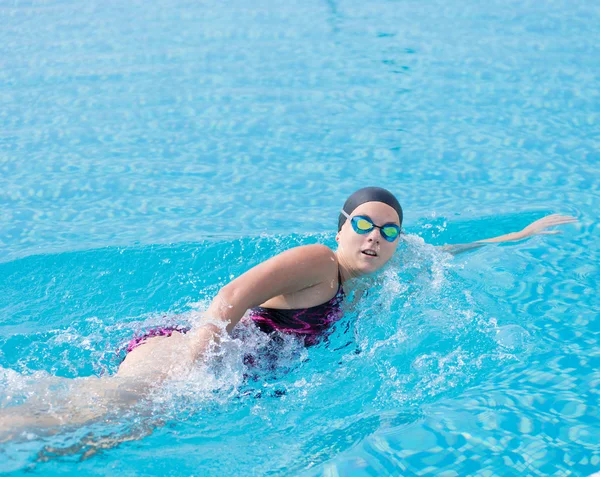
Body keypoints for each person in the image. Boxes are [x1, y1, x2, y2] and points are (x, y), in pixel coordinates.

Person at [0, 186, 577, 438]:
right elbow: (230, 298)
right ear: (341, 228)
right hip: (190, 356)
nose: (375, 237)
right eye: (364, 225)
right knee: (86, 415)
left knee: (97, 434)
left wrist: (519, 234)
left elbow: (445, 252)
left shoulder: (381, 268)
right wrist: (194, 370)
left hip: (230, 371)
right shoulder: (317, 261)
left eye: (389, 231)